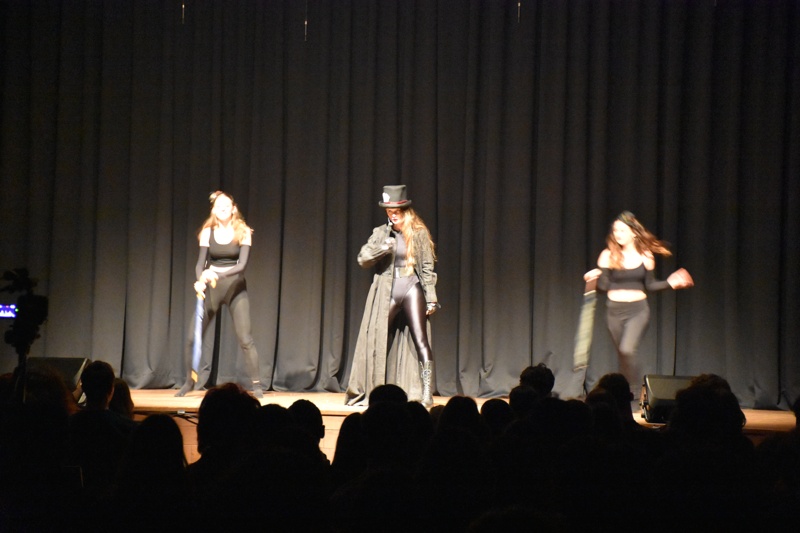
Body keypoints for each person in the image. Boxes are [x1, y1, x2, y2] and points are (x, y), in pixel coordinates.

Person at [345, 185, 439, 407]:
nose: (393, 215)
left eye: (396, 212)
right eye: (389, 212)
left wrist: (431, 297)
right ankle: (373, 391)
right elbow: (363, 259)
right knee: (375, 338)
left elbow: (427, 267)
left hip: (411, 287)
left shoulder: (418, 233)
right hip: (388, 288)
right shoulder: (381, 233)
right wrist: (383, 247)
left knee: (421, 339)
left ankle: (426, 393)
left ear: (405, 211)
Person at [584, 211, 693, 398]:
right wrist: (592, 280)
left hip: (638, 311)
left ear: (634, 232)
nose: (618, 234)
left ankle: (633, 392)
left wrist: (670, 283)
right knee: (623, 355)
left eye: (622, 230)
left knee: (627, 350)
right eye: (615, 230)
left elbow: (650, 285)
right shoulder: (608, 255)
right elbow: (603, 287)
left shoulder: (645, 256)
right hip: (614, 312)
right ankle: (622, 396)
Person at [176, 191, 263, 398]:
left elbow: (242, 265)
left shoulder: (244, 232)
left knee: (245, 339)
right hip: (212, 288)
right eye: (219, 205)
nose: (222, 208)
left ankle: (257, 385)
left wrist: (217, 273)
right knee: (192, 338)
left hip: (235, 288)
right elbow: (200, 263)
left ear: (233, 209)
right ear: (214, 210)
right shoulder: (208, 232)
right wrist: (200, 279)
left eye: (226, 205)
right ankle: (189, 382)